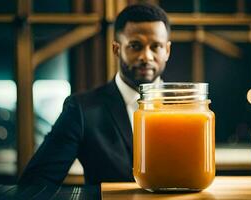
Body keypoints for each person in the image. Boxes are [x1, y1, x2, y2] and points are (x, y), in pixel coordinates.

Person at [18, 3, 171, 186]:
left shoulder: (189, 106)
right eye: (135, 46)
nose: (146, 56)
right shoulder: (82, 109)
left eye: (156, 47)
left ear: (167, 50)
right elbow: (36, 182)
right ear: (116, 49)